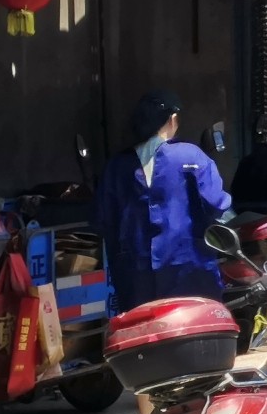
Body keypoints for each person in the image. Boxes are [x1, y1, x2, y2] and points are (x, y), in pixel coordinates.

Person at [96, 91, 233, 311]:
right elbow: (216, 204)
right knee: (194, 325)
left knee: (143, 330)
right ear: (172, 119)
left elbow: (103, 219)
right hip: (188, 266)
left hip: (134, 269)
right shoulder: (191, 156)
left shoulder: (116, 166)